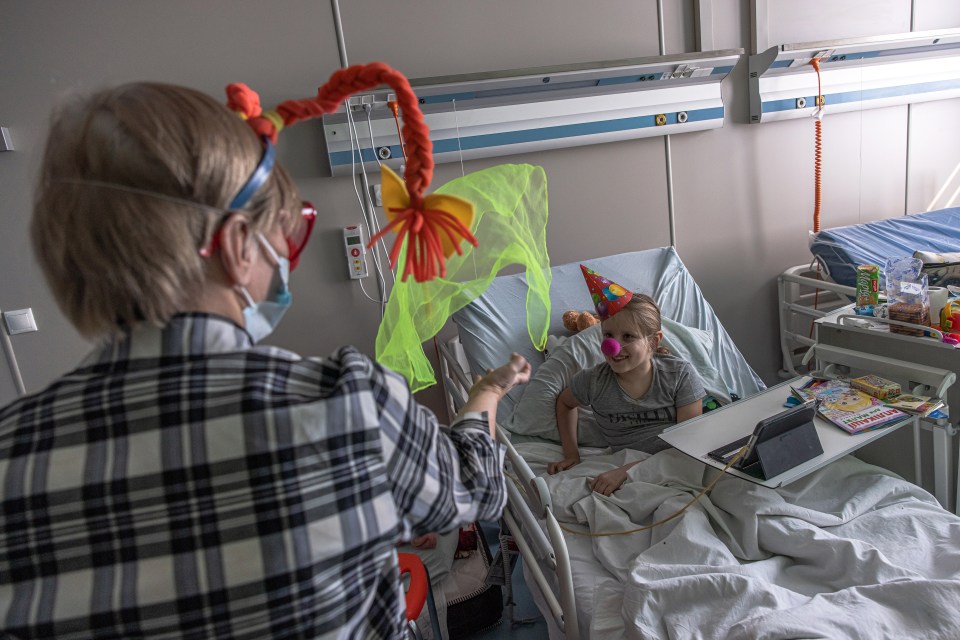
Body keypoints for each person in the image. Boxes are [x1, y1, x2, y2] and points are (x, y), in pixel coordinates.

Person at [0, 82, 530, 639]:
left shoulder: (12, 452)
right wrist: (488, 391)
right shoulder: (344, 407)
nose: (286, 257)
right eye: (288, 232)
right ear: (234, 246)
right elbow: (477, 488)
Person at [547, 267, 705, 496]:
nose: (613, 347)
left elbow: (689, 445)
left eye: (628, 337)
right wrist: (571, 454)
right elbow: (565, 403)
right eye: (608, 335)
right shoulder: (593, 381)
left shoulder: (679, 375)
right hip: (624, 464)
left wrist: (629, 472)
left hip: (676, 462)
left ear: (653, 341)